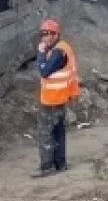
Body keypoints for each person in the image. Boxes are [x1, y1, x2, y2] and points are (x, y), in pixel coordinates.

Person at [33, 18, 79, 178]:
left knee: (46, 132)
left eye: (49, 34)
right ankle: (60, 163)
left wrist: (40, 55)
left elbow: (44, 71)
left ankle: (46, 166)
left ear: (55, 35)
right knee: (58, 130)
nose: (45, 38)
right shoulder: (63, 48)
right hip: (60, 97)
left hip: (52, 100)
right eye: (43, 34)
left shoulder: (58, 52)